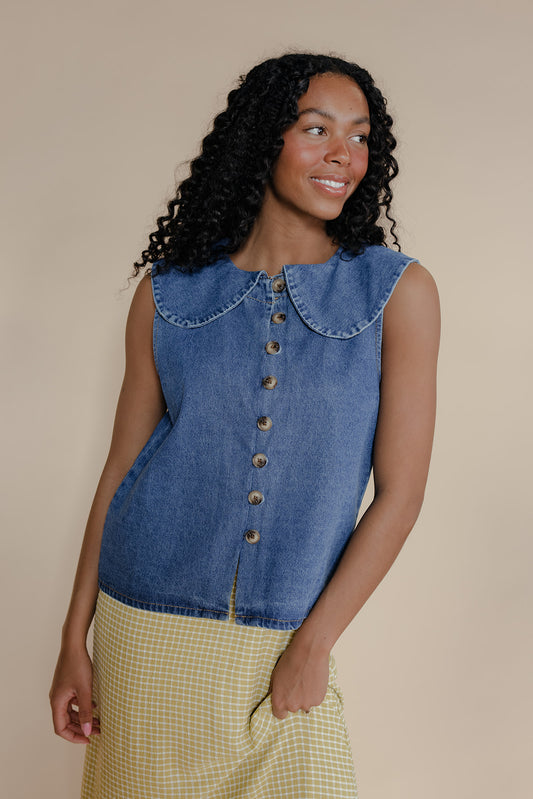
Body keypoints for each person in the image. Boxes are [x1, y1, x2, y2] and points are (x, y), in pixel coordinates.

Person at [49, 52, 440, 798]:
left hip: (287, 635)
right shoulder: (166, 292)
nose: (342, 155)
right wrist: (75, 637)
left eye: (358, 137)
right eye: (316, 128)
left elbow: (402, 492)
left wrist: (314, 642)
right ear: (263, 139)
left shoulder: (397, 293)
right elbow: (120, 469)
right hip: (147, 626)